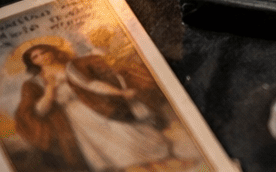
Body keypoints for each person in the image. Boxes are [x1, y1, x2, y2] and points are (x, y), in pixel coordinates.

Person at [14, 42, 172, 172]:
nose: (42, 56)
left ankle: (159, 166)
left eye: (44, 51)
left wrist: (120, 92)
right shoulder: (34, 83)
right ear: (32, 62)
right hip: (76, 120)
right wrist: (50, 91)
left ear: (52, 51)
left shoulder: (72, 67)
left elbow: (92, 85)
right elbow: (39, 112)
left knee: (127, 136)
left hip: (96, 108)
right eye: (36, 56)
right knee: (109, 150)